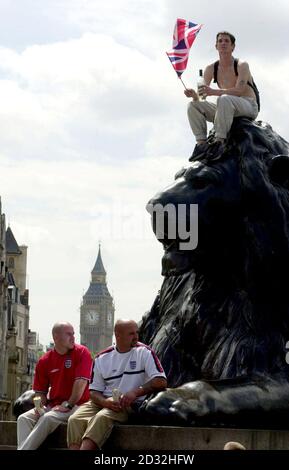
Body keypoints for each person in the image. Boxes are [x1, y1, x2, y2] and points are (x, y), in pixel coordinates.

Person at [67, 319, 167, 450]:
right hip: (104, 401)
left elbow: (161, 381)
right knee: (74, 419)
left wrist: (135, 392)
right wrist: (104, 402)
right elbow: (93, 392)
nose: (136, 337)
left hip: (128, 403)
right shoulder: (101, 358)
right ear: (118, 335)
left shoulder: (144, 352)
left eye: (137, 332)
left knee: (101, 418)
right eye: (131, 333)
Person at [17, 322, 92, 450]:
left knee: (47, 418)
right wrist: (39, 406)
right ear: (56, 337)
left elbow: (80, 384)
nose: (73, 337)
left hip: (77, 405)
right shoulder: (45, 360)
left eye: (73, 334)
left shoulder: (82, 352)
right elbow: (40, 392)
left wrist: (68, 404)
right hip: (54, 406)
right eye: (69, 334)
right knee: (23, 418)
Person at [185, 31, 259, 160]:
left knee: (224, 99)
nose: (223, 43)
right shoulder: (210, 68)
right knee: (192, 105)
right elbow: (202, 96)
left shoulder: (241, 65)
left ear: (233, 47)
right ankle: (201, 144)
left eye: (226, 41)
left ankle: (219, 142)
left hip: (247, 105)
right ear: (216, 46)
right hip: (226, 107)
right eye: (220, 41)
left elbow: (239, 91)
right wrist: (195, 96)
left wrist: (213, 92)